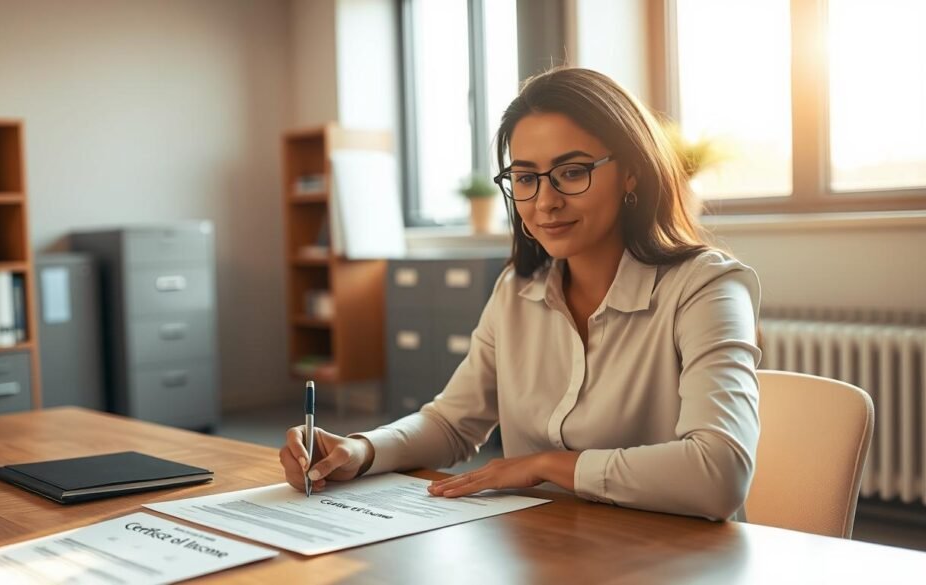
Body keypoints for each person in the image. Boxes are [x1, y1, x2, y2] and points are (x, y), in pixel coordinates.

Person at [279, 67, 761, 521]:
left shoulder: (707, 288)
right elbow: (452, 423)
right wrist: (361, 451)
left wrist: (548, 466)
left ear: (631, 172)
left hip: (677, 560)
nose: (546, 201)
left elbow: (719, 473)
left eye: (572, 172)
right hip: (547, 547)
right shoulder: (516, 290)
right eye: (525, 179)